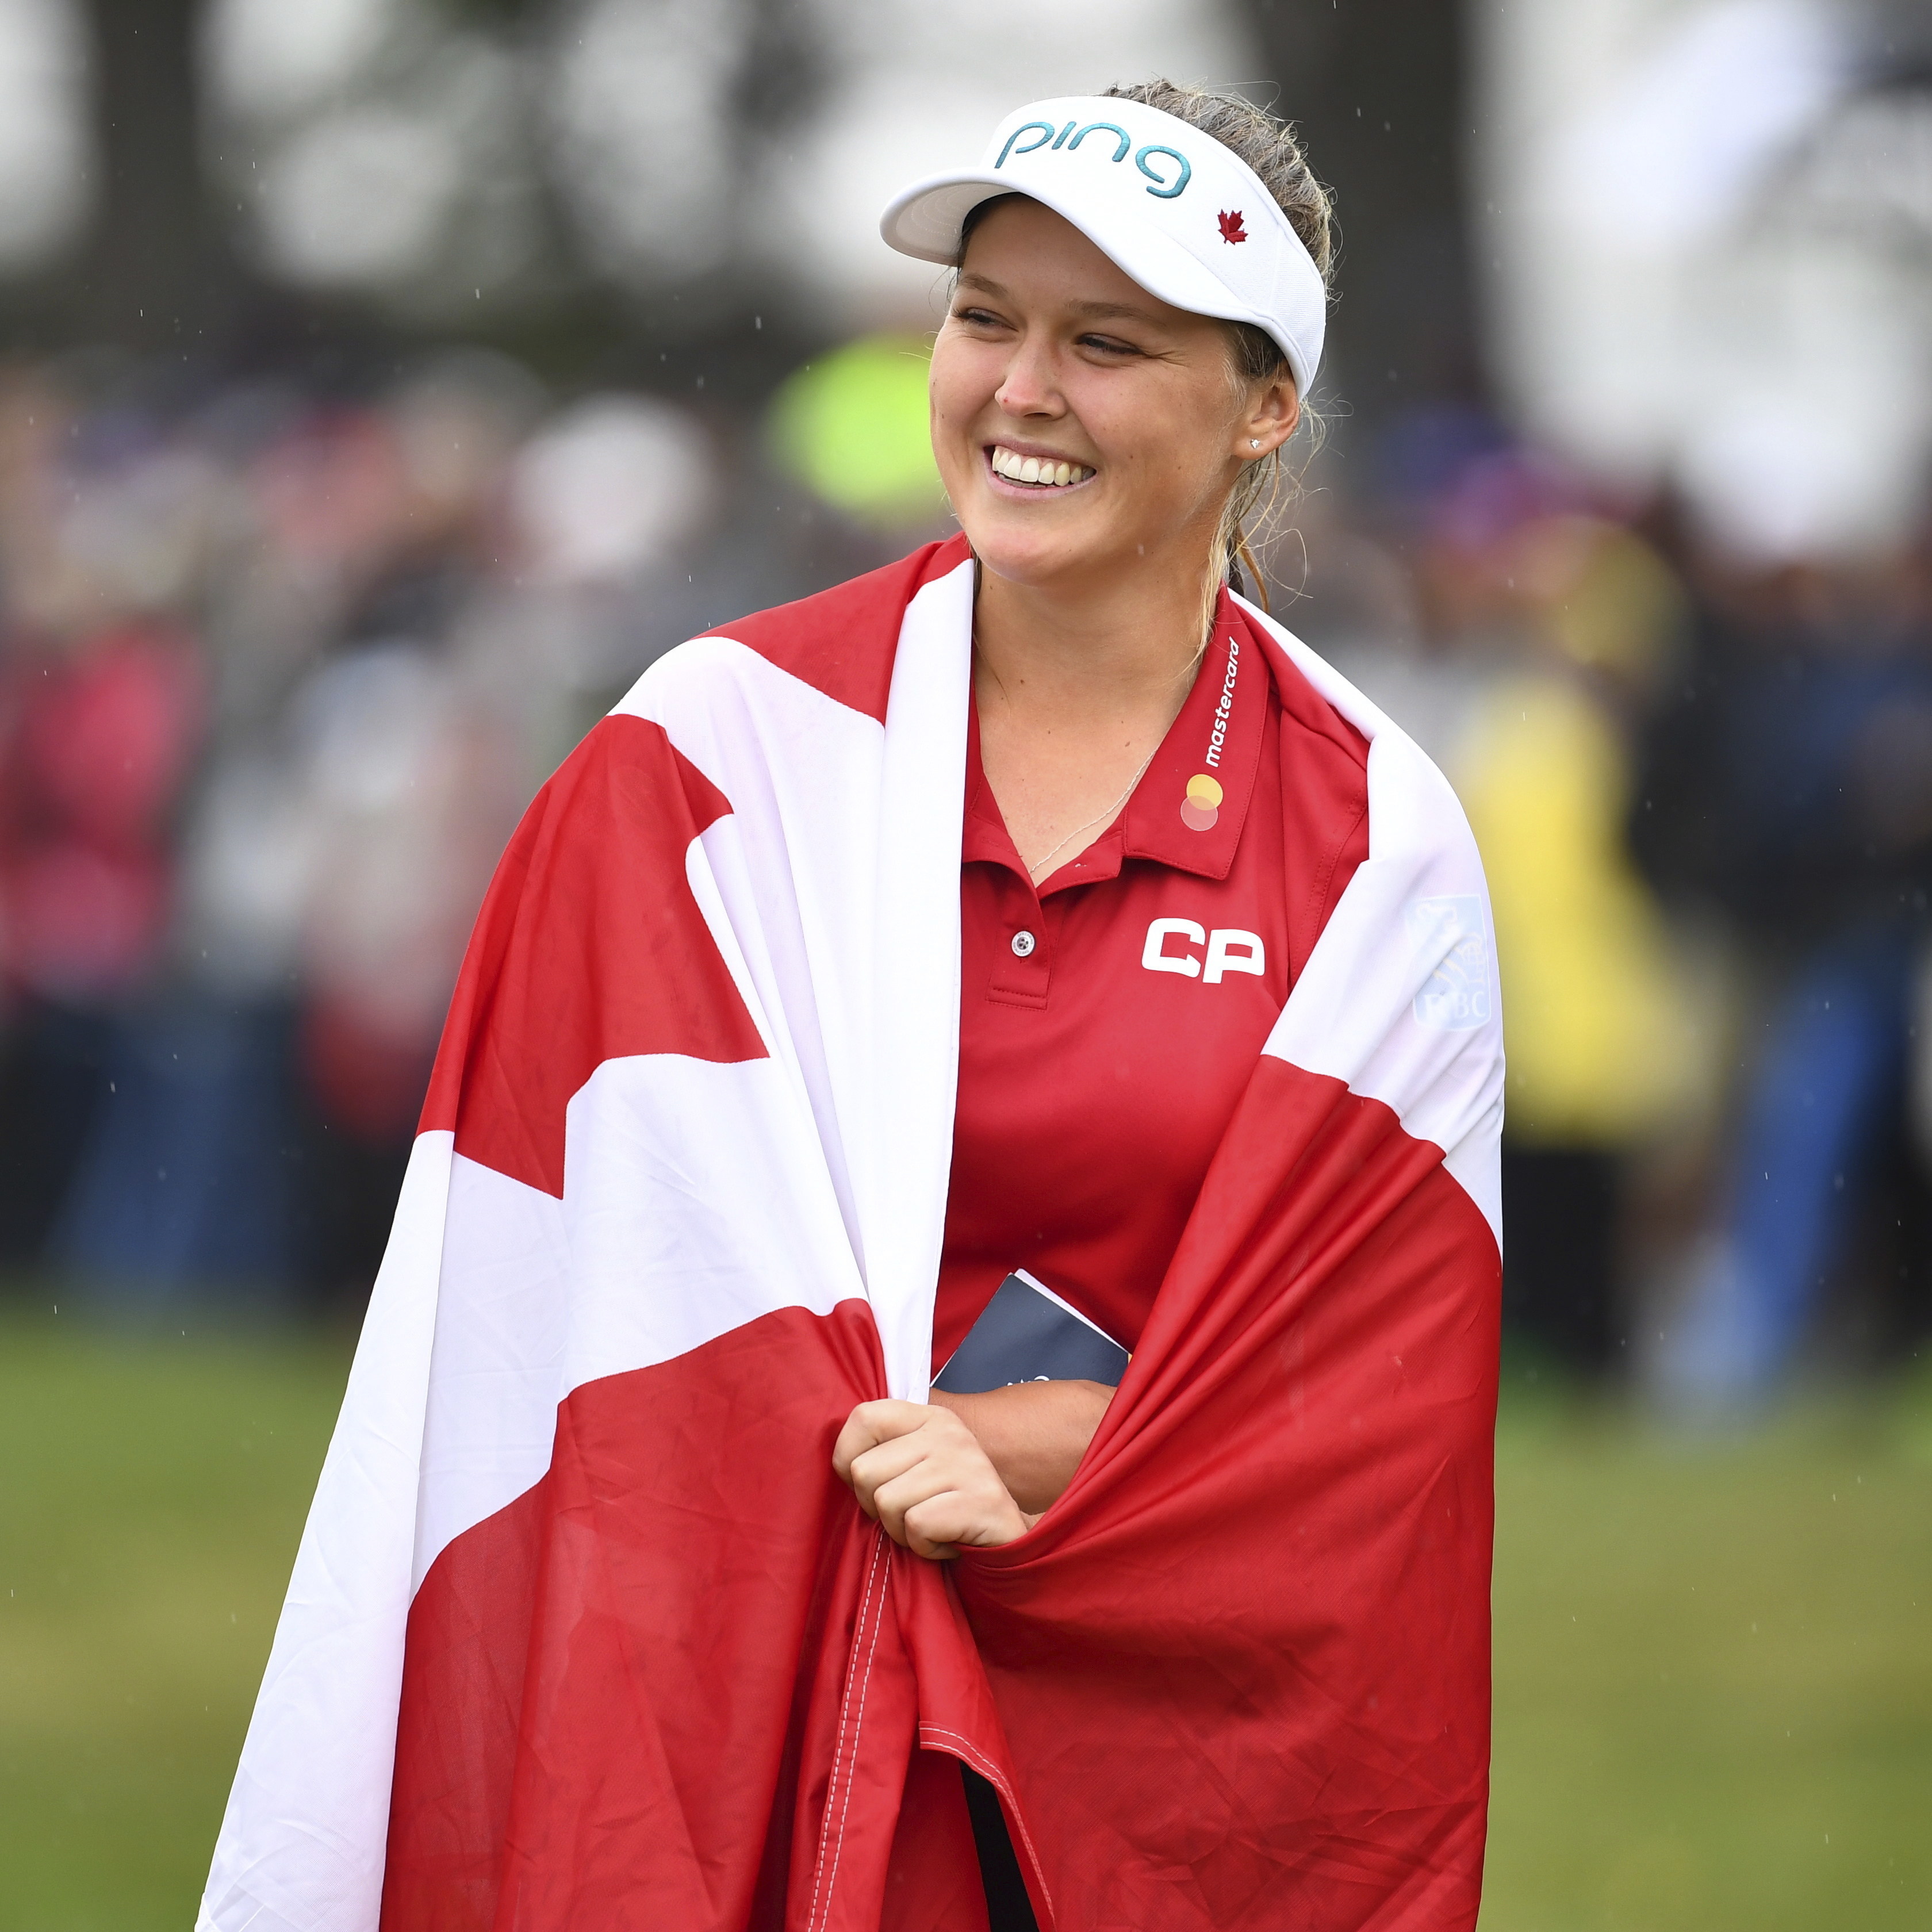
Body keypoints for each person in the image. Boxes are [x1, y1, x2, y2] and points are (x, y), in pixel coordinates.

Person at [203, 86, 1504, 1932]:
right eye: (986, 318)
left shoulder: (1376, 839)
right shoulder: (712, 749)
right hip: (729, 1692)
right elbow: (541, 1283)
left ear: (1264, 408)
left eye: (1107, 343)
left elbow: (1391, 1388)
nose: (1021, 390)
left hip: (1152, 1780)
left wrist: (1078, 1442)